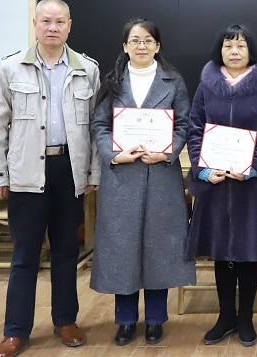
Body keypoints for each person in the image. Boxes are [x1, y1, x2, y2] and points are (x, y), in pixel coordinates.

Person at [0, 0, 100, 357]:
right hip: (26, 172)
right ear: (35, 23)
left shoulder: (87, 70)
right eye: (46, 20)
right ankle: (15, 331)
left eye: (60, 21)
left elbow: (97, 127)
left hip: (69, 170)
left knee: (66, 251)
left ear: (69, 26)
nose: (53, 27)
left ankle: (65, 321)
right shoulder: (11, 68)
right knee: (25, 255)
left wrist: (94, 171)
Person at [90, 18, 195, 346]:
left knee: (159, 247)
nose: (141, 46)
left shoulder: (173, 81)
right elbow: (99, 125)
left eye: (148, 40)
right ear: (125, 46)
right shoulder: (112, 81)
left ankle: (155, 320)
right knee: (122, 248)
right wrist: (113, 154)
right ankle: (125, 321)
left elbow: (185, 124)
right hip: (122, 178)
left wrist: (167, 152)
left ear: (157, 46)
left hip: (161, 176)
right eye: (135, 40)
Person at [185, 24, 257, 347]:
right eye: (228, 45)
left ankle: (246, 319)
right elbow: (194, 128)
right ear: (220, 50)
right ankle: (226, 317)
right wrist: (203, 170)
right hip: (215, 183)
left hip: (250, 184)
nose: (234, 51)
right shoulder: (207, 85)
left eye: (241, 45)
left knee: (248, 253)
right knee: (221, 253)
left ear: (250, 50)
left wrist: (254, 168)